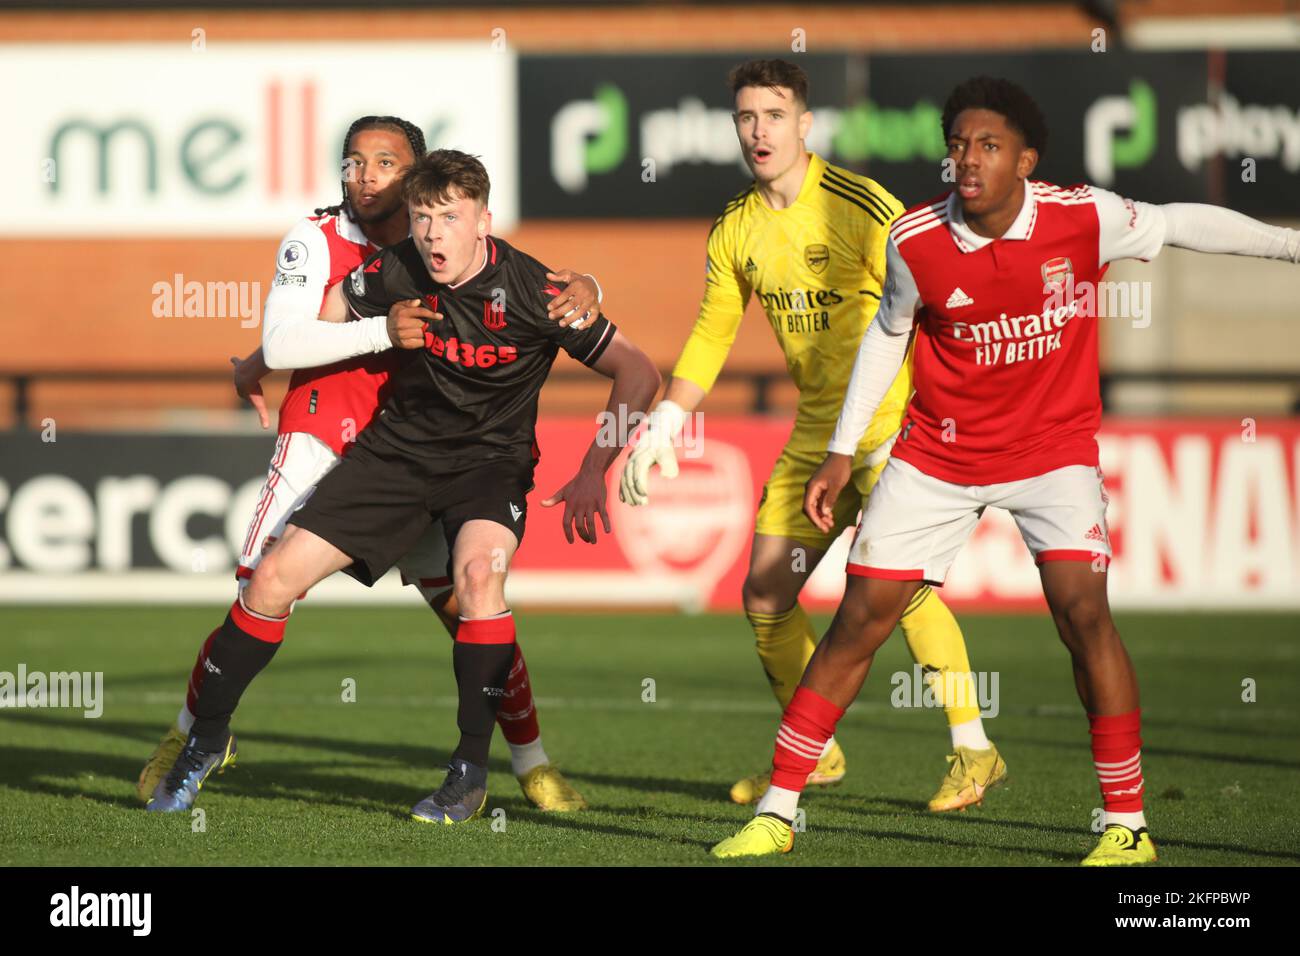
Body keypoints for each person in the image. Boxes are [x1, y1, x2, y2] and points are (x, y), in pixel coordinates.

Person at [711, 75, 1300, 864]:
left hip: (1052, 455)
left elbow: (1182, 221)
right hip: (937, 455)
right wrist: (842, 450)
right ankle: (778, 813)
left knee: (1083, 615)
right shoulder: (915, 238)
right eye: (957, 146)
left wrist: (1290, 244)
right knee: (860, 618)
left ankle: (1126, 827)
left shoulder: (1081, 217)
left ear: (1026, 160)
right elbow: (888, 336)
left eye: (988, 146)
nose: (968, 160)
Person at [148, 148, 662, 825]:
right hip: (394, 459)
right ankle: (205, 740)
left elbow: (638, 371)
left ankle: (469, 775)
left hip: (488, 467)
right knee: (269, 582)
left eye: (449, 217)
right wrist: (267, 359)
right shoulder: (398, 269)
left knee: (480, 581)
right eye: (421, 217)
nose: (432, 234)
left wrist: (597, 466)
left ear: (483, 220)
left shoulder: (538, 291)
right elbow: (323, 314)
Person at [608, 59, 1002, 809]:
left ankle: (974, 749)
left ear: (805, 124)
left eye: (774, 116)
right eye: (746, 118)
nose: (760, 132)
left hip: (896, 427)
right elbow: (711, 335)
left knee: (901, 590)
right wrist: (663, 422)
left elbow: (938, 291)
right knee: (765, 593)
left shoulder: (859, 204)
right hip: (817, 436)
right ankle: (813, 753)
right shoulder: (735, 230)